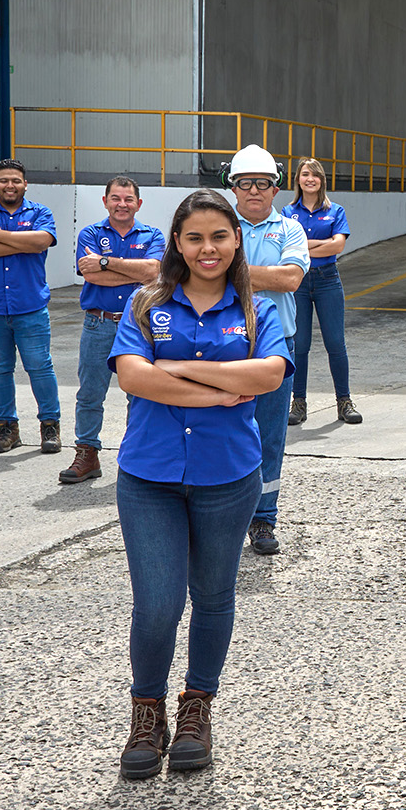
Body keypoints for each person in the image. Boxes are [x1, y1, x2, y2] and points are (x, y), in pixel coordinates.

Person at [110, 188, 291, 779]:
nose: (207, 248)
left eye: (219, 236)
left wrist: (181, 367)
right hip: (150, 476)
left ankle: (196, 708)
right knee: (158, 603)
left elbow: (269, 372)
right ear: (177, 244)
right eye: (195, 237)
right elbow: (134, 378)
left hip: (228, 476)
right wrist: (219, 392)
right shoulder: (146, 303)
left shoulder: (255, 309)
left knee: (213, 597)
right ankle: (147, 712)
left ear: (236, 240)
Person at [226, 145, 311, 556]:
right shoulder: (223, 228)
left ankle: (264, 518)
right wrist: (263, 276)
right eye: (246, 184)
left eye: (263, 184)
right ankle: (226, 516)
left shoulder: (291, 229)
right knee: (223, 431)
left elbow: (290, 280)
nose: (255, 191)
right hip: (226, 345)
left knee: (269, 438)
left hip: (275, 347)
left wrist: (227, 273)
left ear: (276, 189)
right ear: (233, 188)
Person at [63, 176, 165, 484]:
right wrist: (131, 269)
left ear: (139, 203)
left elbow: (154, 273)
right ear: (106, 201)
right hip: (99, 323)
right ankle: (87, 453)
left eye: (128, 199)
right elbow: (91, 276)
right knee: (91, 393)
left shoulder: (153, 234)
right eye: (116, 198)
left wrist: (105, 262)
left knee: (139, 394)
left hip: (138, 325)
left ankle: (136, 455)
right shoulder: (90, 233)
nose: (122, 204)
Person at [0, 158, 61, 456]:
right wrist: (24, 243)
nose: (10, 185)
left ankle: (50, 426)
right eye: (4, 180)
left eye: (16, 180)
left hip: (30, 306)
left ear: (25, 184)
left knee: (40, 367)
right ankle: (7, 428)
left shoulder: (40, 212)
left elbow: (43, 240)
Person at [283, 157, 360, 427]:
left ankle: (344, 402)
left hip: (328, 280)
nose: (310, 179)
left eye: (315, 175)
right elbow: (287, 247)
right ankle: (298, 402)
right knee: (300, 345)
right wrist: (321, 243)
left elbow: (337, 247)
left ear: (322, 180)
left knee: (335, 344)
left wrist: (305, 245)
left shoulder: (335, 211)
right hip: (299, 282)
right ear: (298, 180)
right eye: (305, 174)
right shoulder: (287, 211)